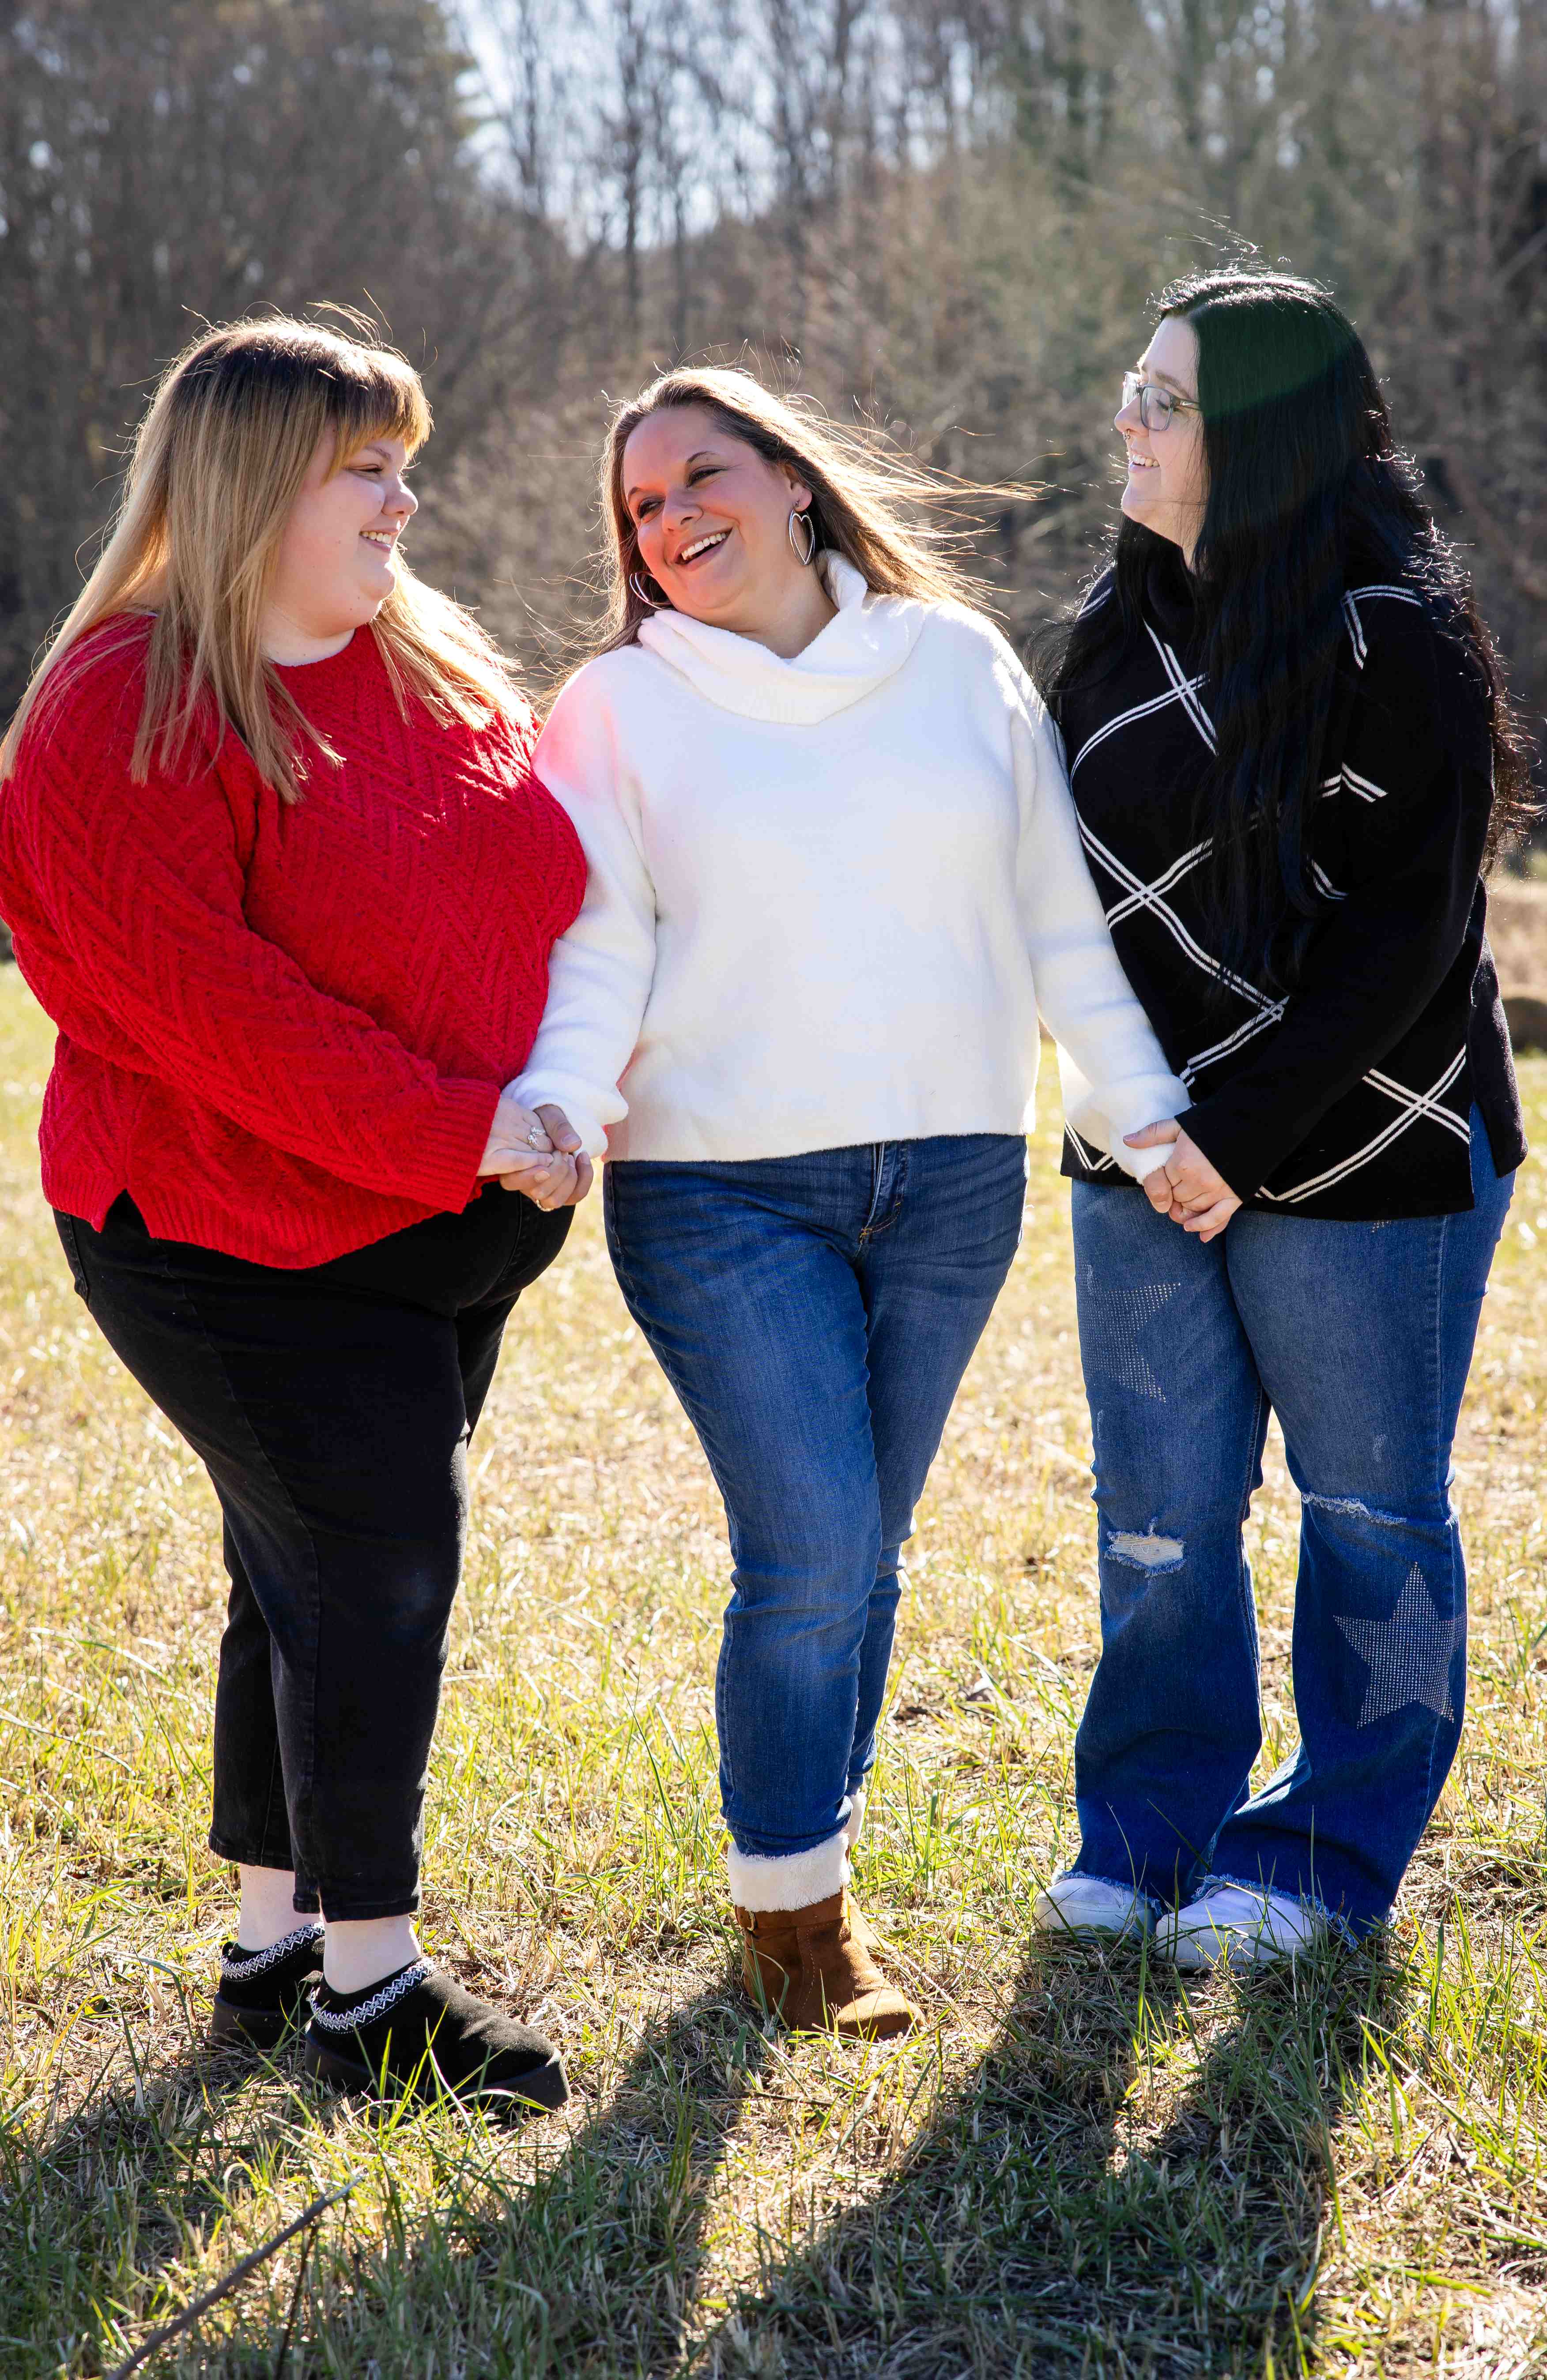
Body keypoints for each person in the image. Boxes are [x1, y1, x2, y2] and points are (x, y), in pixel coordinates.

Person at [509, 365, 1188, 2038]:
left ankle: (816, 1858)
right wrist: (561, 1098)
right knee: (810, 1546)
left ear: (797, 482)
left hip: (953, 1180)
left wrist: (1147, 1116)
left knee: (867, 1549)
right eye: (639, 507)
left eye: (698, 476)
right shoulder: (620, 706)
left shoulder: (954, 664)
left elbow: (1055, 920)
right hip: (720, 1192)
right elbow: (602, 941)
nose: (669, 521)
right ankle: (793, 1916)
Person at [0, 317, 590, 2111]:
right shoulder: (126, 701)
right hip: (224, 1233)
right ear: (257, 480)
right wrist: (464, 1125)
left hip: (441, 1228)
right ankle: (369, 1995)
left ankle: (270, 1942)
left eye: (406, 461)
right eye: (372, 467)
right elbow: (202, 1009)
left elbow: (550, 887)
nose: (409, 498)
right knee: (372, 1565)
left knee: (300, 1566)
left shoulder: (421, 663)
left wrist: (543, 1103)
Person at [1029, 267, 1532, 1968]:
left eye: (1168, 401)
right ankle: (1148, 1828)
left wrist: (1226, 1141)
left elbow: (1409, 939)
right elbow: (1055, 905)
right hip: (1139, 1155)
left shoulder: (1395, 631)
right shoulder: (1112, 628)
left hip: (1368, 1156)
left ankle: (1322, 1852)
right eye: (1134, 385)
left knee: (1369, 1519)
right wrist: (1146, 1130)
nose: (1131, 422)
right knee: (1157, 1520)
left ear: (1263, 438)